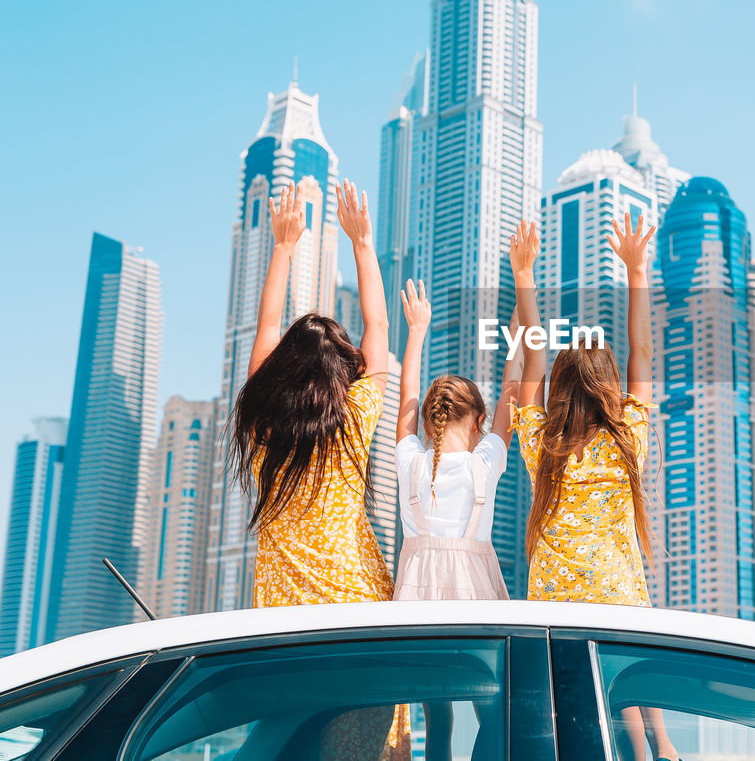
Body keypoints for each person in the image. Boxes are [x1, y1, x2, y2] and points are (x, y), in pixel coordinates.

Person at [228, 179, 402, 760]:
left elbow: (263, 333)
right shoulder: (354, 420)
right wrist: (362, 242)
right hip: (361, 620)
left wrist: (282, 247)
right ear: (342, 372)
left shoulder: (263, 427)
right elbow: (379, 330)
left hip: (285, 633)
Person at [509, 217, 682, 761]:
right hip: (620, 603)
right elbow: (643, 355)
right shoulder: (627, 441)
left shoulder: (542, 449)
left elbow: (531, 362)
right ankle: (664, 744)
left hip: (555, 618)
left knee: (576, 727)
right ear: (607, 387)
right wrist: (636, 271)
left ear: (560, 389)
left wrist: (524, 276)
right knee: (629, 687)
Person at [393, 280, 521, 761]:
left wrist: (417, 330)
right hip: (473, 598)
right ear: (477, 420)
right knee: (493, 713)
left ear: (430, 420)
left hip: (417, 601)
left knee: (437, 716)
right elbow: (512, 391)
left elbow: (406, 399)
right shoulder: (482, 463)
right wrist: (516, 332)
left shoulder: (410, 463)